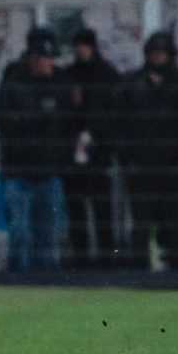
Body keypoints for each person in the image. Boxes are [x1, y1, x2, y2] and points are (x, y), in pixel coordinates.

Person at [119, 30, 178, 271]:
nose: (159, 58)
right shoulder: (131, 85)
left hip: (173, 167)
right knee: (141, 221)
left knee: (174, 220)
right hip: (140, 167)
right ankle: (139, 268)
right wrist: (128, 160)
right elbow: (119, 124)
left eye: (163, 53)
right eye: (155, 53)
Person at [0, 28, 77, 272]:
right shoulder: (13, 82)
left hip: (48, 170)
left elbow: (68, 122)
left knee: (47, 234)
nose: (52, 63)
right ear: (34, 59)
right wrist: (37, 118)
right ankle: (18, 279)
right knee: (20, 232)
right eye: (47, 59)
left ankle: (45, 282)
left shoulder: (59, 83)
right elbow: (2, 121)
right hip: (19, 170)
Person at [61, 28, 120, 267]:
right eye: (78, 46)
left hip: (98, 152)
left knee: (102, 208)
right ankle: (81, 257)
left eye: (84, 45)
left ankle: (106, 257)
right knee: (76, 210)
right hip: (74, 152)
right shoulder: (69, 75)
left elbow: (115, 114)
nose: (80, 50)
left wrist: (103, 140)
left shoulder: (106, 75)